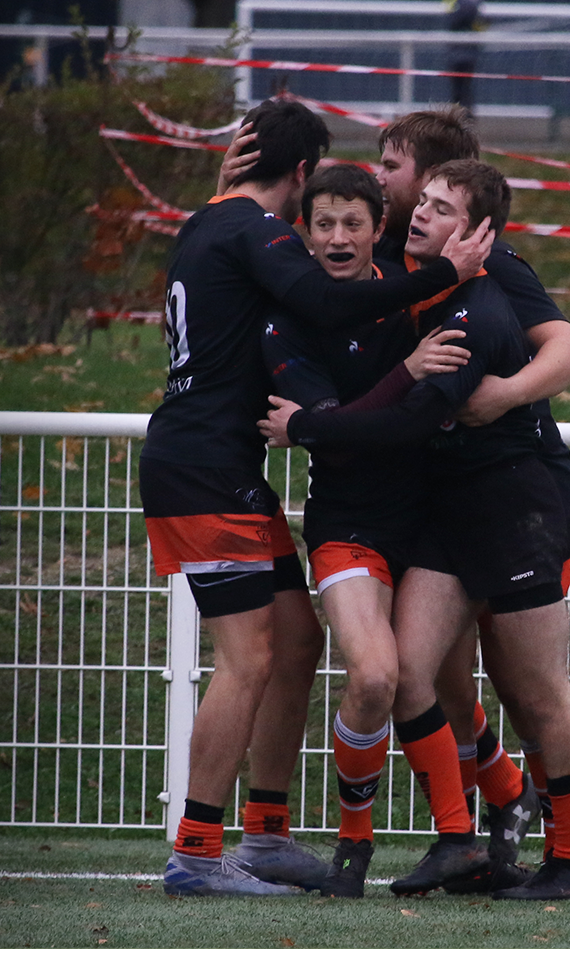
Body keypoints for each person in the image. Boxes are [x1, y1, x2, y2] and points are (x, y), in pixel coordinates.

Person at [223, 104, 570, 887]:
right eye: (405, 193)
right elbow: (275, 234)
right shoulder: (374, 257)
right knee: (410, 675)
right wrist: (231, 194)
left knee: (527, 687)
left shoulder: (486, 272)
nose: (389, 187)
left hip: (513, 500)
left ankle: (568, 854)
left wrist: (502, 393)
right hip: (422, 510)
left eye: (398, 172)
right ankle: (473, 823)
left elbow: (569, 346)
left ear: (450, 199)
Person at [141, 98, 492, 897]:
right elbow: (330, 302)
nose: (333, 234)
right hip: (203, 470)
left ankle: (266, 835)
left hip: (223, 469)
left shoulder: (209, 219)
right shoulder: (256, 231)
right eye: (320, 215)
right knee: (248, 659)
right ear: (301, 175)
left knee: (297, 641)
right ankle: (196, 853)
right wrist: (446, 274)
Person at [260, 164, 472, 897]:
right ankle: (355, 845)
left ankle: (474, 832)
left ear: (379, 227)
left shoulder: (413, 293)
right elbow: (335, 437)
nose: (338, 237)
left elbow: (345, 424)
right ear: (305, 231)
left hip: (432, 524)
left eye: (353, 222)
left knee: (445, 685)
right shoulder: (287, 319)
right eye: (324, 223)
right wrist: (408, 374)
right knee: (376, 678)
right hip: (347, 523)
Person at [443, 0, 486, 113]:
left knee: (464, 91)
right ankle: (457, 118)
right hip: (454, 52)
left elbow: (462, 18)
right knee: (457, 92)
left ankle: (465, 120)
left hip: (467, 53)